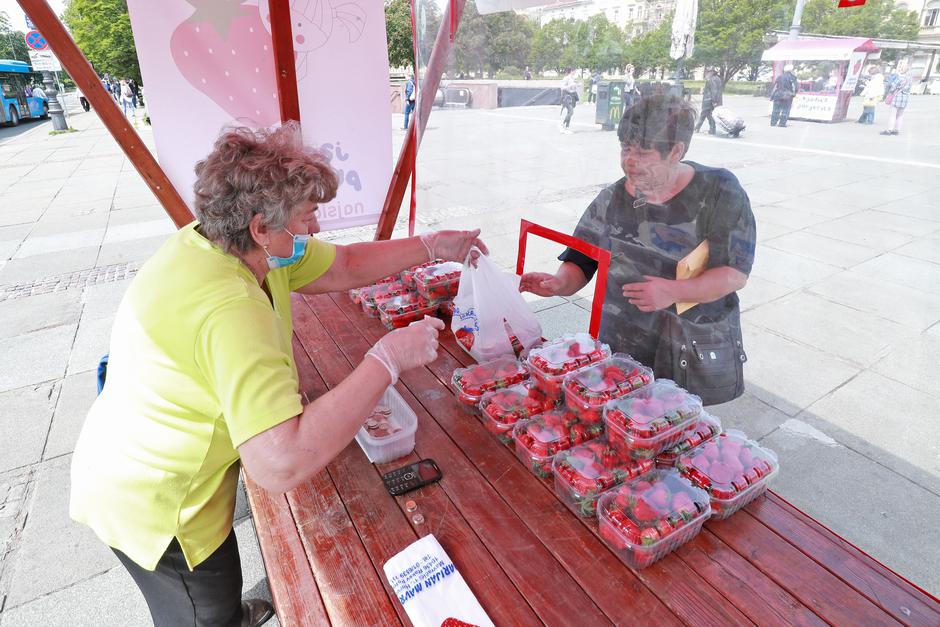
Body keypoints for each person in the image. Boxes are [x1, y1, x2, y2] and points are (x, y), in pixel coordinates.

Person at [69, 123, 488, 627]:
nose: (314, 231)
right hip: (158, 502)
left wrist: (431, 244)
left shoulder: (230, 243)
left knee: (219, 598)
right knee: (202, 608)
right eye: (306, 218)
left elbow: (346, 265)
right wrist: (386, 360)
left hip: (140, 453)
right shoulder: (229, 307)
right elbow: (280, 464)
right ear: (259, 225)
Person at [520, 95, 755, 402]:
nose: (630, 161)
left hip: (686, 346)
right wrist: (560, 283)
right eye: (625, 149)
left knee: (675, 425)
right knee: (622, 424)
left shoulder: (719, 191)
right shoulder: (613, 198)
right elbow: (582, 257)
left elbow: (734, 273)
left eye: (643, 152)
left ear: (676, 151)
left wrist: (673, 291)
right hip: (622, 347)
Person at [881, 61, 912, 136]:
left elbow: (892, 87)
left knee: (893, 115)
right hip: (904, 98)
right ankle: (897, 130)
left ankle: (889, 130)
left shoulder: (899, 78)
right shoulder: (909, 78)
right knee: (900, 115)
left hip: (896, 97)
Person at [695, 68, 722, 135]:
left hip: (709, 100)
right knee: (709, 115)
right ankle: (712, 129)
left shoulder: (711, 79)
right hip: (714, 100)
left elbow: (714, 90)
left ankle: (697, 128)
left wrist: (714, 101)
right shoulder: (718, 79)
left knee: (703, 114)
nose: (706, 73)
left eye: (707, 72)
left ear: (712, 72)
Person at [559, 67, 579, 134]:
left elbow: (573, 87)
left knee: (569, 112)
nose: (575, 72)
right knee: (571, 111)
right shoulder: (566, 78)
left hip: (572, 96)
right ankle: (562, 124)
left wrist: (576, 85)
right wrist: (570, 85)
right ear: (571, 71)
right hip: (567, 96)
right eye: (575, 71)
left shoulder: (573, 78)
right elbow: (562, 87)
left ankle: (567, 127)